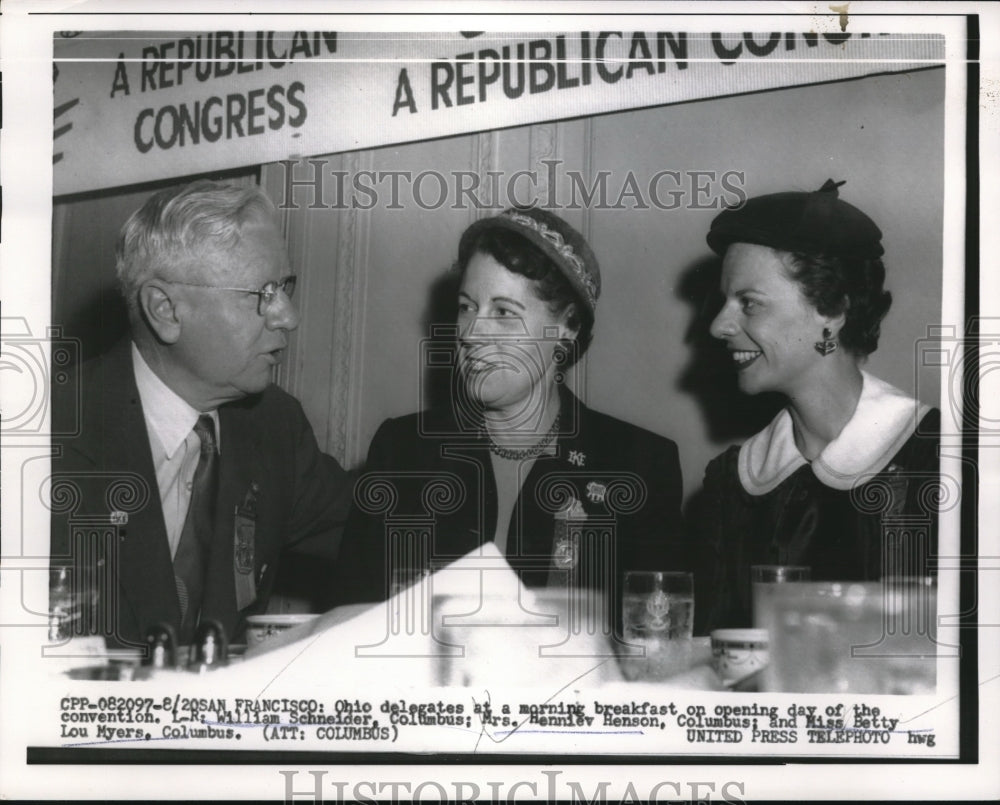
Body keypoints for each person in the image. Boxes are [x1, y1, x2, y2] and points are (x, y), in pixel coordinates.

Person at [333, 207, 685, 628]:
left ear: (567, 328)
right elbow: (351, 629)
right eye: (466, 307)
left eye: (503, 312)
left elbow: (657, 641)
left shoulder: (638, 464)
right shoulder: (402, 451)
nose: (470, 333)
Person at [50, 180, 352, 647]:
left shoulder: (274, 425)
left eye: (284, 287)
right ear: (165, 310)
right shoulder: (44, 434)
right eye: (262, 292)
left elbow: (376, 532)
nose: (288, 316)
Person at [693, 180, 940, 633]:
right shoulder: (731, 481)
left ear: (833, 311)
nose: (718, 325)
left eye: (749, 303)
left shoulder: (941, 458)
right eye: (724, 301)